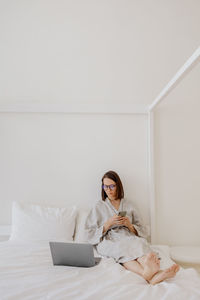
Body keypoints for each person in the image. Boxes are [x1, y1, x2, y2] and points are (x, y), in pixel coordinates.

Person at [84, 170, 180, 285]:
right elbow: (88, 233)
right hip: (110, 239)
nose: (108, 190)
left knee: (139, 244)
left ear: (118, 186)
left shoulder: (129, 204)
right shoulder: (98, 206)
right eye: (105, 186)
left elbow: (143, 230)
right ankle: (151, 274)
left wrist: (129, 225)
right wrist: (108, 224)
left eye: (112, 186)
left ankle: (148, 268)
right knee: (121, 248)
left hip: (128, 235)